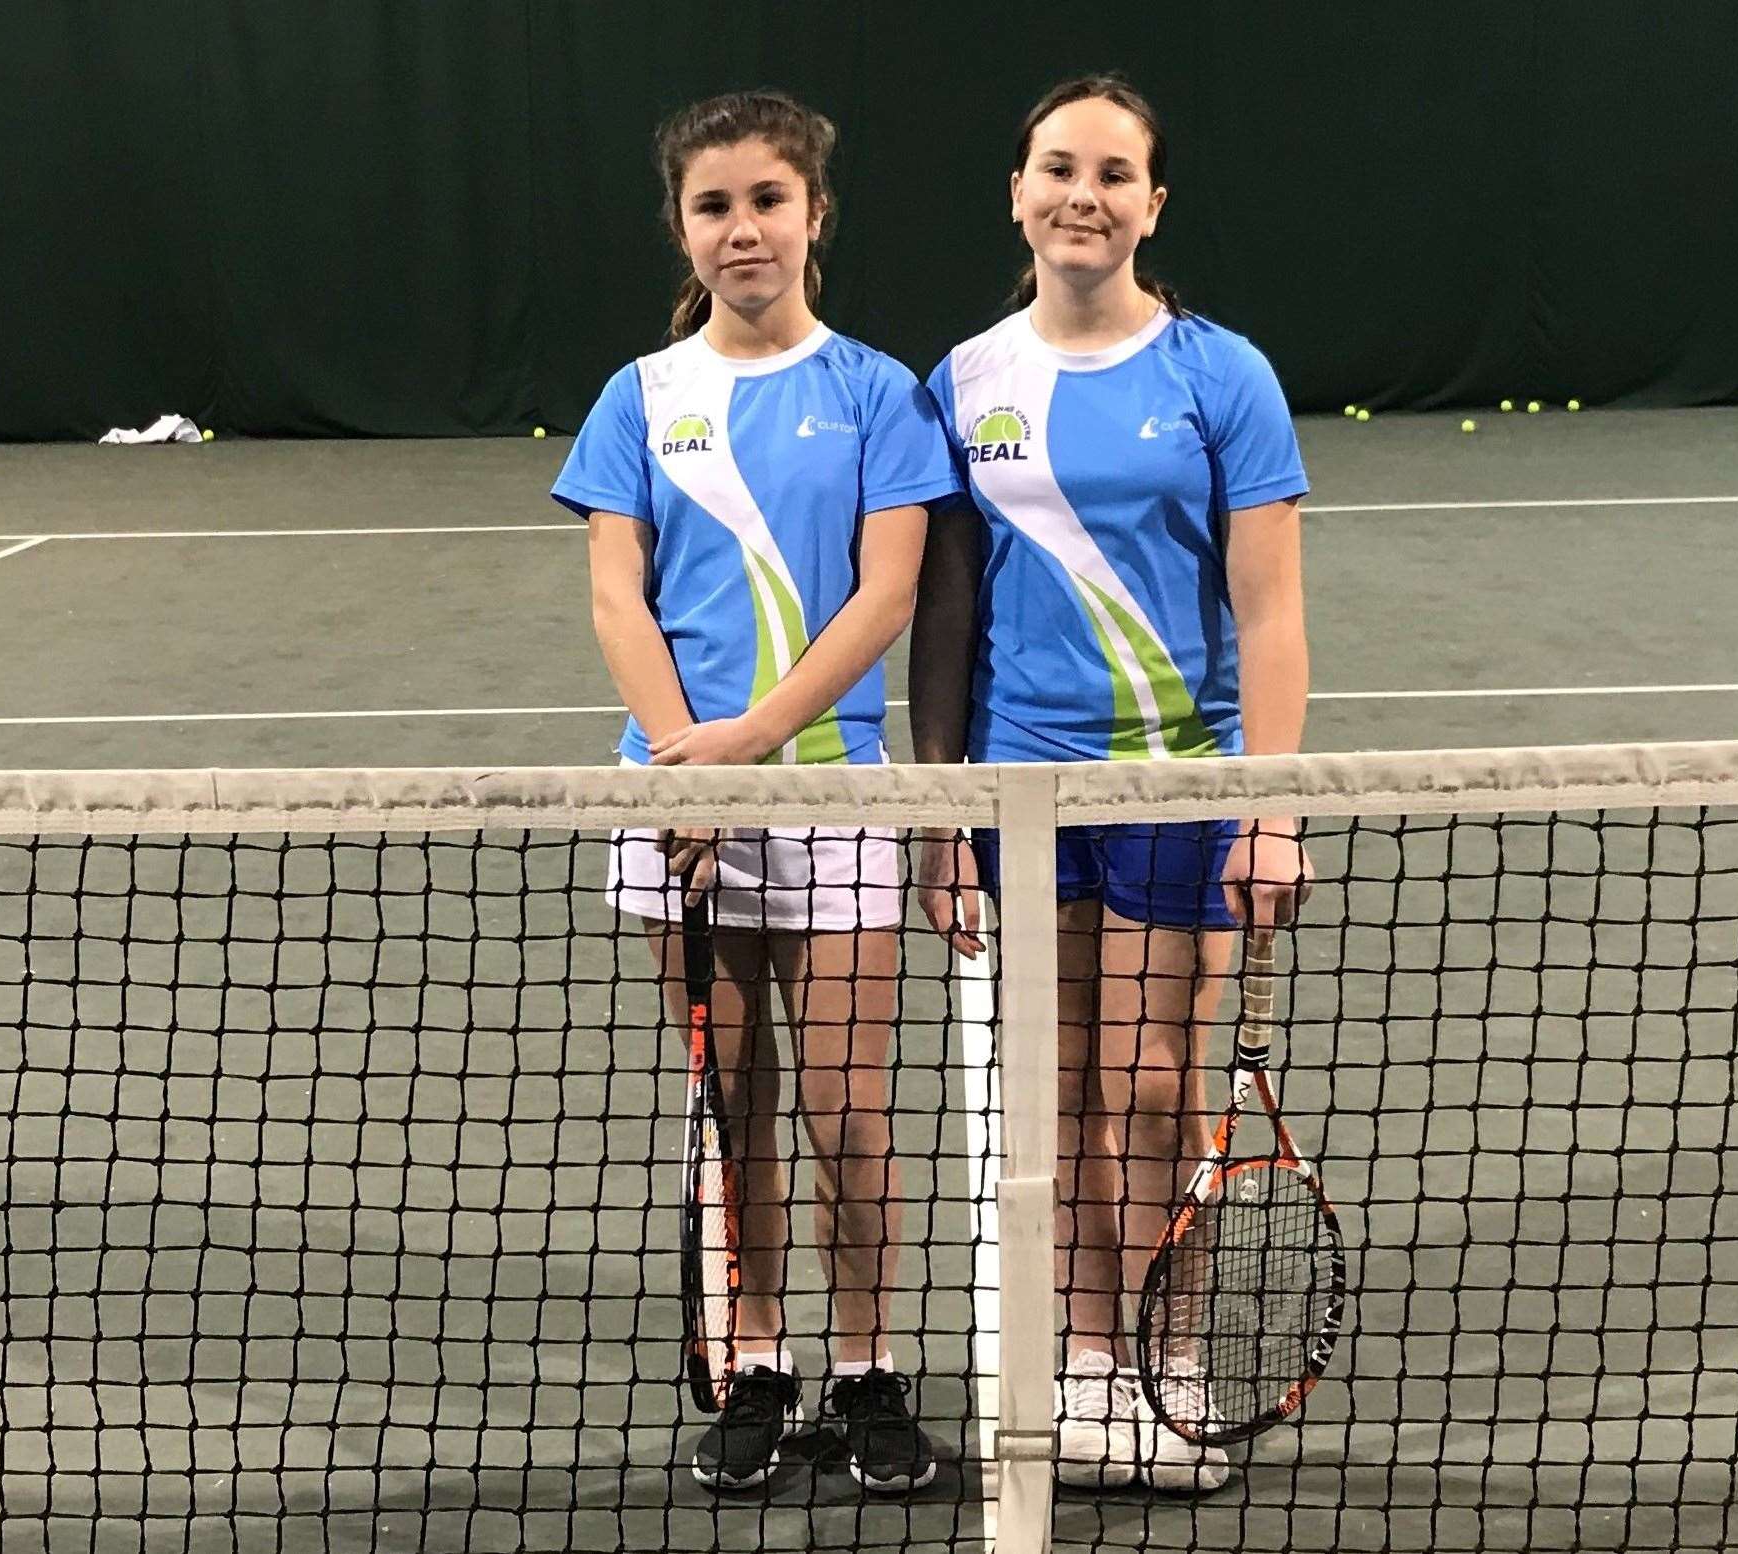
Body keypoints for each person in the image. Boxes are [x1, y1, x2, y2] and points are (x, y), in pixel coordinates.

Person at [551, 89, 962, 1495]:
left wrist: (751, 742)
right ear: (682, 223)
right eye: (713, 205)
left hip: (835, 795)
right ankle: (760, 1360)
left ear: (814, 215)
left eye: (765, 201)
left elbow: (887, 591)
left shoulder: (877, 392)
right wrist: (684, 769)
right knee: (735, 1100)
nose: (742, 230)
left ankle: (866, 1366)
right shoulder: (638, 398)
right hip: (682, 806)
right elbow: (619, 596)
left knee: (848, 1109)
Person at [910, 74, 1313, 1494]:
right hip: (1025, 797)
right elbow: (944, 622)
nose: (1083, 194)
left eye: (1113, 173)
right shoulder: (961, 382)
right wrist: (948, 816)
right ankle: (1086, 1363)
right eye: (1057, 168)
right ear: (1017, 193)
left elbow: (1269, 613)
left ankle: (1166, 1359)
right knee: (1057, 1088)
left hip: (1177, 783)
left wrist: (1269, 806)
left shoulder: (1221, 374)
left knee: (1148, 1087)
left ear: (1152, 203)